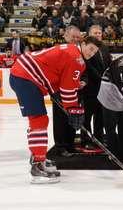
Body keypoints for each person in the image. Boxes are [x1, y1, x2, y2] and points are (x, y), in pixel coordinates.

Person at [10, 36, 102, 184]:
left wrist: (71, 106)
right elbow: (67, 88)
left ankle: (38, 157)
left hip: (25, 74)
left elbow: (65, 81)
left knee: (40, 120)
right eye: (90, 49)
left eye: (95, 52)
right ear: (83, 43)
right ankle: (37, 166)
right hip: (25, 77)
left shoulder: (73, 51)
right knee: (38, 120)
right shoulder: (76, 58)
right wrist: (73, 108)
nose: (92, 53)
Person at [52, 26, 83, 157]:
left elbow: (83, 71)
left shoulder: (79, 51)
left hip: (75, 92)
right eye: (73, 37)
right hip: (60, 92)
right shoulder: (58, 50)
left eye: (77, 37)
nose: (75, 39)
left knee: (73, 119)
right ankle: (60, 146)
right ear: (65, 36)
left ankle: (70, 144)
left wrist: (84, 81)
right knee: (60, 120)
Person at [80, 25, 112, 148]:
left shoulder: (104, 47)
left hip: (103, 88)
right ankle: (86, 140)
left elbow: (108, 63)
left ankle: (98, 138)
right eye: (95, 33)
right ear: (89, 34)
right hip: (90, 87)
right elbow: (88, 67)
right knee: (87, 116)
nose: (98, 35)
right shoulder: (87, 48)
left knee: (100, 115)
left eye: (99, 32)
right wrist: (101, 77)